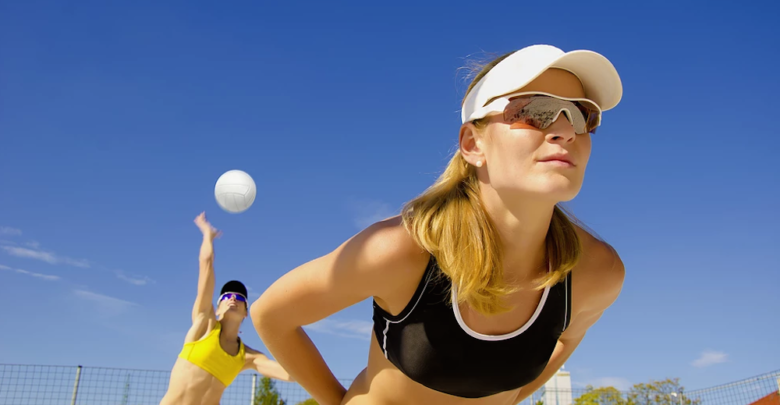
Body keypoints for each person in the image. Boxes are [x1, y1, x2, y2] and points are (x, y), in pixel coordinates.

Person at [250, 44, 626, 405]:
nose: (566, 130)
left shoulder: (596, 273)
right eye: (534, 111)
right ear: (473, 144)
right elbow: (272, 316)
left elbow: (564, 344)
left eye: (581, 114)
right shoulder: (400, 250)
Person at [160, 212, 292, 405]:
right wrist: (207, 234)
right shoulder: (204, 323)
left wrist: (287, 332)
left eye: (239, 297)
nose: (233, 299)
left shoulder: (247, 357)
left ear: (246, 312)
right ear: (218, 306)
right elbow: (206, 265)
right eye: (227, 296)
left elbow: (290, 375)